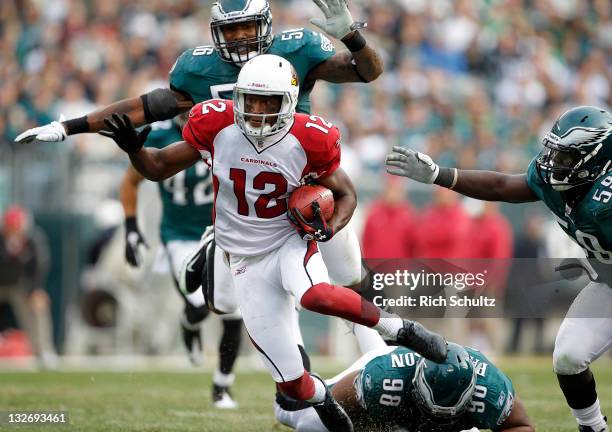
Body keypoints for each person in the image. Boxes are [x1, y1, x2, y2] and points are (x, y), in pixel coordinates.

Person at [16, 0, 385, 400]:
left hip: (302, 190)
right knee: (228, 304)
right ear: (215, 32)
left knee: (348, 276)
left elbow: (366, 71)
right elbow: (141, 110)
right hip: (244, 206)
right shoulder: (197, 69)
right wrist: (67, 127)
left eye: (248, 27)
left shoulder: (297, 50)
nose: (242, 37)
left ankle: (379, 361)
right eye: (232, 29)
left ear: (265, 24)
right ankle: (295, 383)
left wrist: (352, 35)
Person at [101, 54, 447, 432]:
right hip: (243, 258)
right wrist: (133, 149)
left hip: (288, 240)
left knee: (315, 295)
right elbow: (156, 167)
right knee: (293, 384)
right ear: (238, 98)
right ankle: (325, 400)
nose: (260, 111)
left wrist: (327, 230)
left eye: (270, 102)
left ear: (289, 102)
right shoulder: (216, 125)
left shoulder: (309, 137)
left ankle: (400, 329)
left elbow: (346, 195)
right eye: (252, 100)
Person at [385, 105, 612, 432]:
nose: (552, 163)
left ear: (596, 160)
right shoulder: (553, 181)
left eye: (566, 157)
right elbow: (502, 187)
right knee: (568, 357)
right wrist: (439, 175)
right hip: (606, 282)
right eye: (554, 152)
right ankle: (593, 427)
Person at [275, 342, 534, 432]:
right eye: (432, 410)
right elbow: (332, 408)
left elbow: (520, 426)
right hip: (385, 405)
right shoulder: (385, 379)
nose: (436, 420)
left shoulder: (489, 390)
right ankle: (288, 343)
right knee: (299, 418)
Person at [0, 205, 57, 369]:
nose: (14, 230)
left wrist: (36, 290)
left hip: (21, 285)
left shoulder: (34, 240)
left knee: (38, 306)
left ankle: (44, 352)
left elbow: (39, 266)